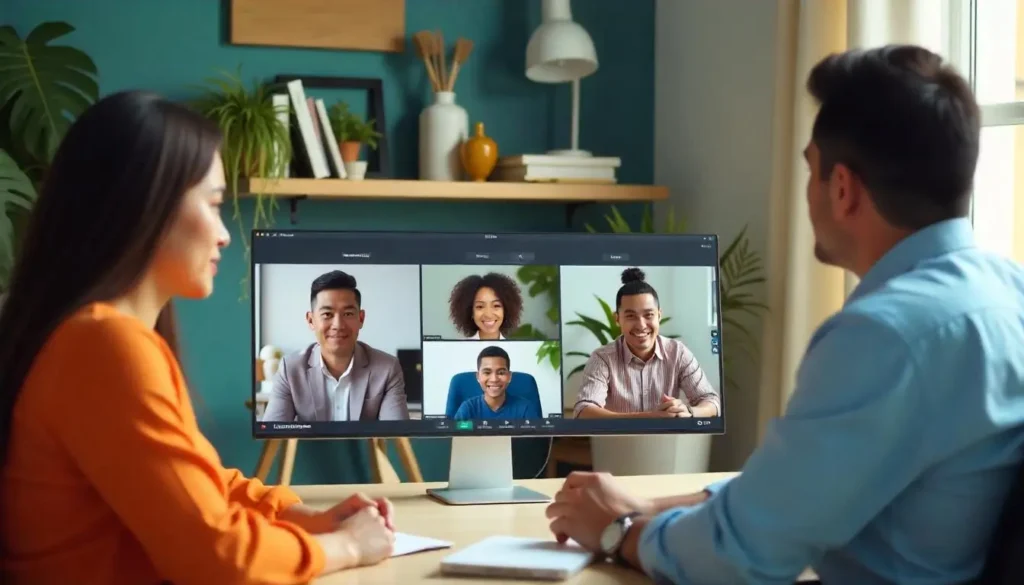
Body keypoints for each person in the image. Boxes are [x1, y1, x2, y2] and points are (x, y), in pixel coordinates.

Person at [544, 45, 1024, 585]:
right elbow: (806, 486)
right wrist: (652, 503)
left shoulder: (885, 335)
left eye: (811, 170)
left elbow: (738, 558)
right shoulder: (1009, 293)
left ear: (841, 189)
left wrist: (617, 530)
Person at [0, 91, 397, 585]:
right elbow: (219, 556)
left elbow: (200, 485)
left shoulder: (95, 336)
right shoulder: (104, 346)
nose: (225, 234)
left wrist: (305, 518)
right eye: (212, 204)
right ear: (145, 206)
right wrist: (346, 546)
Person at [262, 270, 409, 422]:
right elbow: (274, 435)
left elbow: (395, 436)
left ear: (361, 318)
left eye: (348, 314)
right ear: (311, 320)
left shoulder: (387, 368)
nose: (338, 325)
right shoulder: (291, 369)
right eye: (327, 314)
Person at [573, 267, 720, 419]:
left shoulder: (678, 352)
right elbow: (583, 411)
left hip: (665, 442)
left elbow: (711, 401)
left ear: (659, 315)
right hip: (618, 442)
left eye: (649, 315)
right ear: (617, 319)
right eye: (631, 316)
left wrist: (689, 412)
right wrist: (650, 417)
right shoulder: (602, 358)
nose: (641, 325)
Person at [453, 346, 542, 420]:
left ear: (509, 376)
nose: (494, 379)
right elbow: (456, 439)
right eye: (487, 372)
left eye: (501, 373)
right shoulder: (468, 409)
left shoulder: (525, 408)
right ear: (478, 377)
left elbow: (535, 440)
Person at [447, 272, 523, 340]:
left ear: (505, 310)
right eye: (480, 307)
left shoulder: (515, 349)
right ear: (471, 312)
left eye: (496, 305)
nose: (488, 315)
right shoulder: (461, 349)